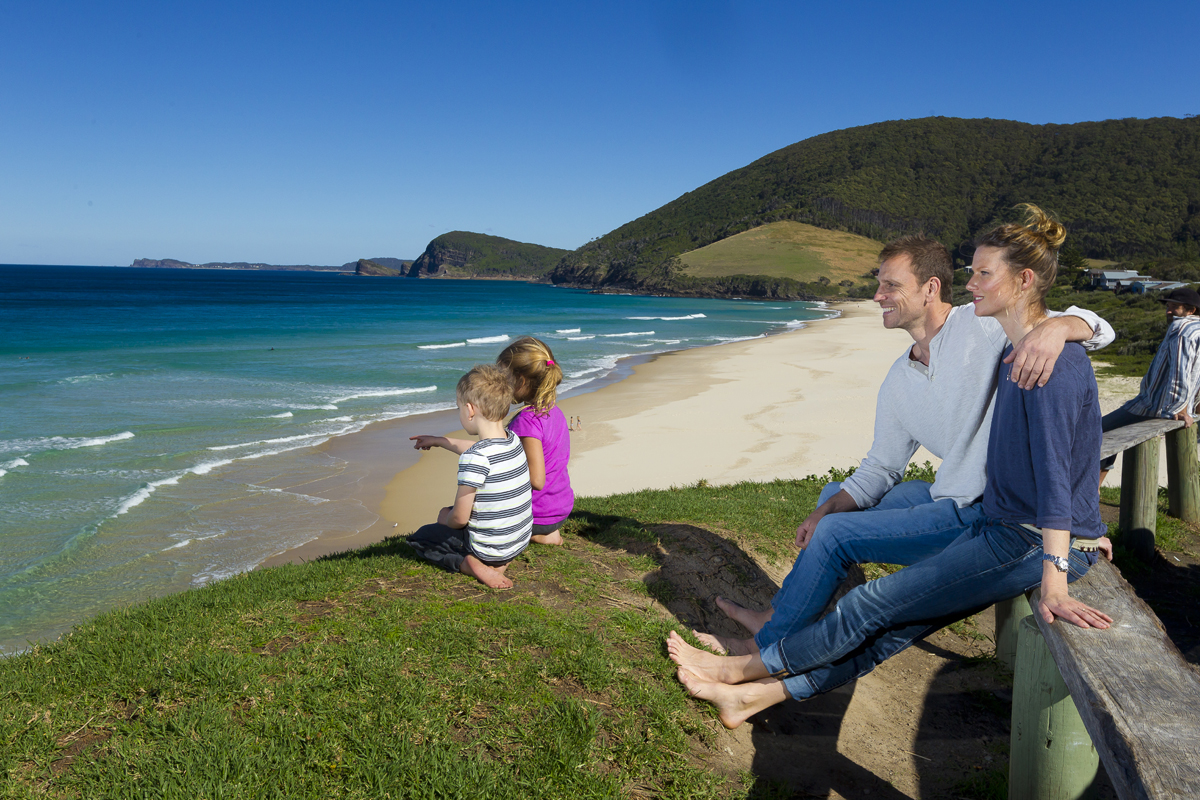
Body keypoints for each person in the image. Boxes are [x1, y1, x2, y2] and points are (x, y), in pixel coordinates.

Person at [668, 204, 1112, 728]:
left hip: (1009, 526)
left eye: (889, 285)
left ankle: (752, 658)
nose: (877, 295)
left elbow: (1061, 464)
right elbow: (881, 467)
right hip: (985, 511)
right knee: (848, 533)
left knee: (862, 583)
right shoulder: (944, 370)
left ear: (929, 289)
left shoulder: (1006, 338)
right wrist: (830, 506)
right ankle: (765, 669)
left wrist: (1064, 324)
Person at [407, 364, 533, 589]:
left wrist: (443, 518)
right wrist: (440, 441)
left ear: (469, 410)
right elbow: (478, 449)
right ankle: (500, 561)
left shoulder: (474, 459)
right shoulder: (512, 440)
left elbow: (460, 519)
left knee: (422, 537)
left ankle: (470, 564)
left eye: (458, 408)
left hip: (489, 549)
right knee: (451, 514)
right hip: (518, 541)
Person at [1099, 286, 1200, 474]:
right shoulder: (1196, 329)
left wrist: (1178, 408)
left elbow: (1181, 370)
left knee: (1095, 431)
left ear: (1191, 310)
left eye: (1174, 307)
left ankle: (1093, 490)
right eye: (1168, 306)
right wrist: (1194, 406)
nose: (1168, 311)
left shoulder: (1182, 328)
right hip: (1163, 405)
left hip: (1152, 406)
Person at [497, 336, 575, 545]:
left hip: (537, 513)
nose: (500, 383)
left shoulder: (526, 422)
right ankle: (546, 532)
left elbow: (536, 479)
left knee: (450, 515)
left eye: (503, 377)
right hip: (559, 507)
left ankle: (538, 533)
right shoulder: (553, 411)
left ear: (521, 380)